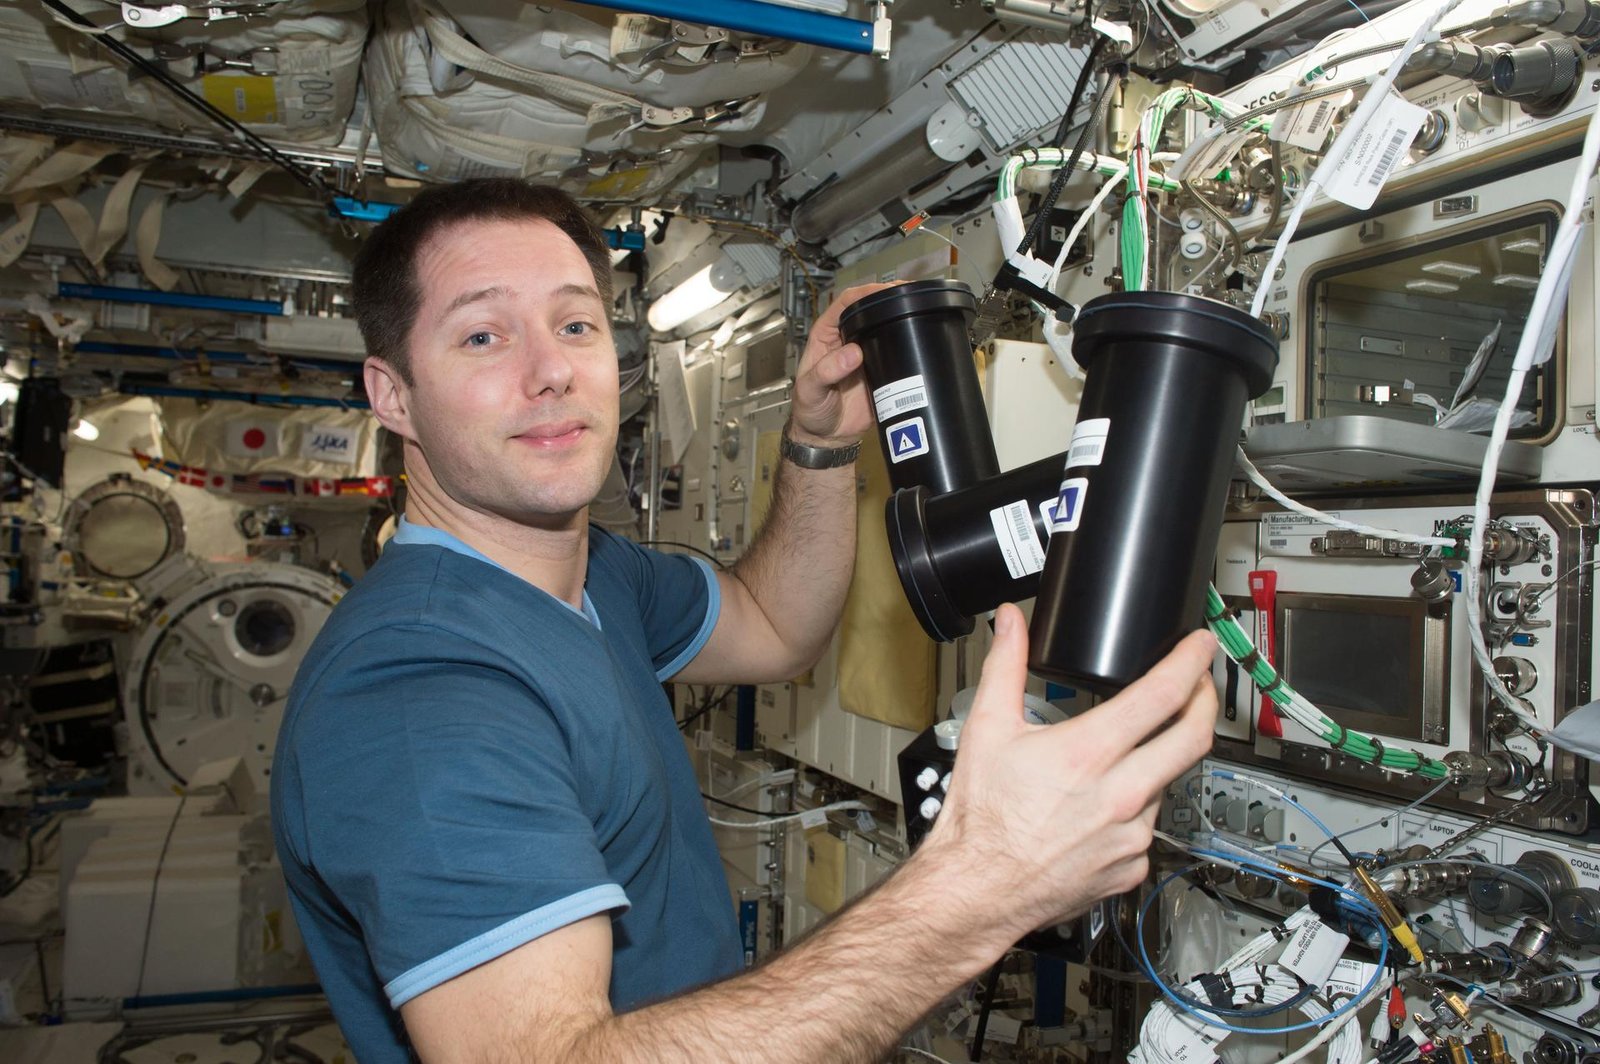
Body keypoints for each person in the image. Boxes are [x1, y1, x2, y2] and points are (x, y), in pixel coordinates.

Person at [271, 178, 1219, 1064]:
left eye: (575, 323)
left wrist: (816, 446)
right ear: (392, 394)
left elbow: (772, 623)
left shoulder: (593, 578)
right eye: (483, 338)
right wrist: (987, 884)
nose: (551, 371)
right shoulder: (420, 690)